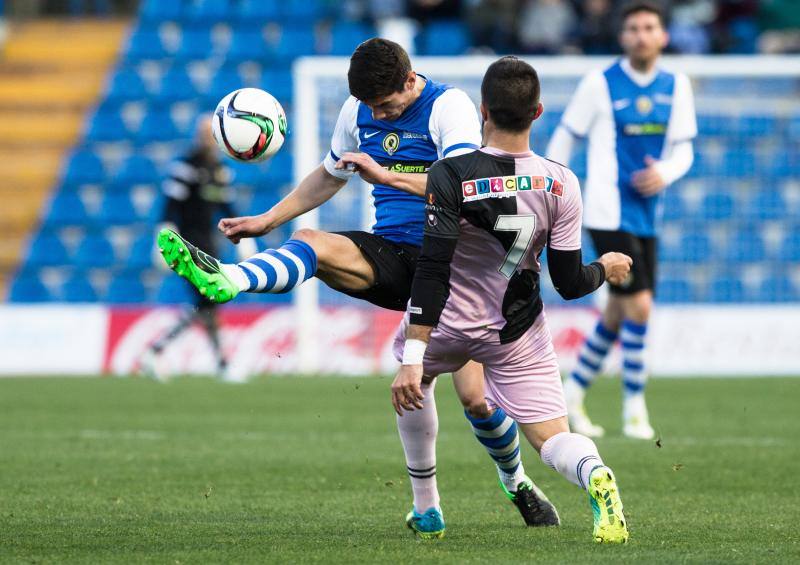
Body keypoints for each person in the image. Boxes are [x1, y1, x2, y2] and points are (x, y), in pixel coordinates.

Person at [156, 38, 558, 526]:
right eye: (372, 108)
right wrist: (267, 219)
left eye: (386, 106)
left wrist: (385, 175)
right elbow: (329, 176)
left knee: (474, 399)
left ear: (410, 82)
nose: (380, 116)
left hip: (456, 268)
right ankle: (229, 277)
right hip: (393, 255)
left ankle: (516, 482)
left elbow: (464, 187)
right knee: (311, 240)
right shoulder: (357, 111)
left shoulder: (448, 107)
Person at [391, 55, 633, 543]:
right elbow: (568, 282)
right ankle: (593, 473)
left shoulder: (449, 173)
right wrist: (605, 269)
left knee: (413, 386)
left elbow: (434, 269)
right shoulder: (562, 181)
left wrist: (415, 358)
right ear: (538, 112)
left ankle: (427, 508)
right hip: (515, 330)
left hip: (449, 324)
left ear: (483, 110)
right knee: (551, 439)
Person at [546, 1, 697, 440]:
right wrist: (553, 187)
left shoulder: (677, 86)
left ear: (663, 36)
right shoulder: (600, 83)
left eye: (649, 27)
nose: (641, 34)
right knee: (640, 305)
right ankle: (634, 406)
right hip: (606, 210)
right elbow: (567, 134)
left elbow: (684, 149)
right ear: (622, 37)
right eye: (633, 27)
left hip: (647, 214)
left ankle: (572, 391)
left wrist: (664, 172)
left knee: (615, 311)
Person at [140, 117, 254, 381]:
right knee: (207, 302)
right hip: (186, 246)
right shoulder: (185, 167)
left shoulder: (220, 171)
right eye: (203, 133)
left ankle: (159, 352)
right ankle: (217, 364)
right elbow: (169, 206)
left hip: (209, 246)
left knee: (207, 305)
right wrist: (163, 237)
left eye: (210, 134)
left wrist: (246, 238)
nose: (206, 139)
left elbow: (228, 209)